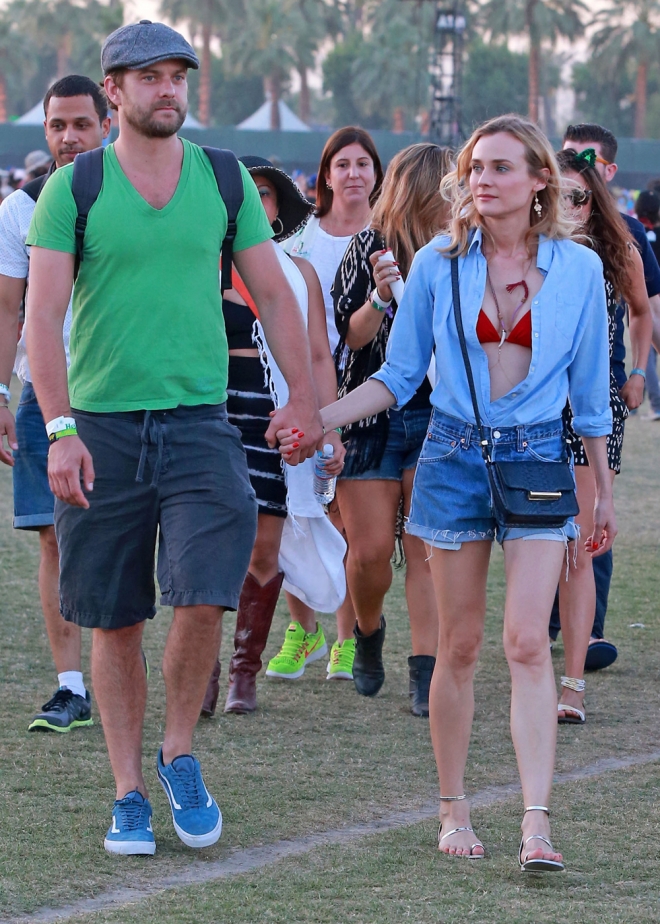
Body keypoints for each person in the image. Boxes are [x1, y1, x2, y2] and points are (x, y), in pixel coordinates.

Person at [281, 114, 616, 870]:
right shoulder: (439, 262)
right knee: (457, 646)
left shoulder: (578, 269)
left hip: (537, 461)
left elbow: (592, 397)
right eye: (475, 169)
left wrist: (602, 490)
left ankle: (537, 824)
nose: (482, 181)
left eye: (501, 168)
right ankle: (453, 807)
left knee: (528, 641)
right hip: (453, 457)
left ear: (539, 182)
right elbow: (399, 379)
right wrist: (319, 419)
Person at [25, 21, 321, 857]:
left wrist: (302, 394)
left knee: (203, 592)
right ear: (112, 92)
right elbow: (44, 317)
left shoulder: (223, 180)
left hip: (200, 423)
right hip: (103, 429)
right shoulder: (73, 189)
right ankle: (127, 792)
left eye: (177, 76)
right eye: (148, 77)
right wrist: (60, 430)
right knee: (114, 618)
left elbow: (272, 290)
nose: (167, 91)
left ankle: (178, 752)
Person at [199, 155, 345, 717]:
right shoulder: (201, 263)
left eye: (264, 194)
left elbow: (316, 356)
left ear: (277, 208)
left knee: (266, 542)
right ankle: (204, 672)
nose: (254, 202)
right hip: (210, 405)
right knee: (209, 543)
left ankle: (243, 673)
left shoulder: (298, 271)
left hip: (275, 409)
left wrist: (325, 426)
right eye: (245, 193)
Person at [0, 75, 111, 732]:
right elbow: (9, 308)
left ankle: (124, 670)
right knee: (52, 538)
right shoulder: (21, 208)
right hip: (48, 392)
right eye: (56, 126)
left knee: (119, 540)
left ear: (107, 124)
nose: (68, 137)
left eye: (80, 124)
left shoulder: (135, 197)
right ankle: (71, 685)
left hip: (124, 393)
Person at [330, 143, 450, 711]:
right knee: (371, 550)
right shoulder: (366, 248)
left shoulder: (460, 255)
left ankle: (425, 670)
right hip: (369, 412)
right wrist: (380, 294)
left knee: (424, 546)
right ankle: (369, 632)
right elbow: (352, 338)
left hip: (436, 414)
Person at [269, 127, 383, 682]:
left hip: (364, 391)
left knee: (342, 521)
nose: (354, 173)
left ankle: (344, 638)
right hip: (304, 385)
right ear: (325, 174)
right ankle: (301, 629)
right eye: (343, 164)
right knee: (294, 508)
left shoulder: (390, 237)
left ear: (377, 174)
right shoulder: (302, 238)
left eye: (364, 163)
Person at [553, 148, 651, 724]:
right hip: (534, 411)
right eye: (557, 196)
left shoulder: (619, 253)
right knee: (537, 546)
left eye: (579, 196)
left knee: (581, 543)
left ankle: (573, 684)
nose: (569, 208)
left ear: (595, 199)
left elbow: (641, 311)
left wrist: (637, 372)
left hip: (594, 407)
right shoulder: (528, 253)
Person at [634, 190, 660, 420]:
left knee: (645, 353)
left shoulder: (636, 230)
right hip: (652, 296)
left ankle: (655, 402)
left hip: (641, 295)